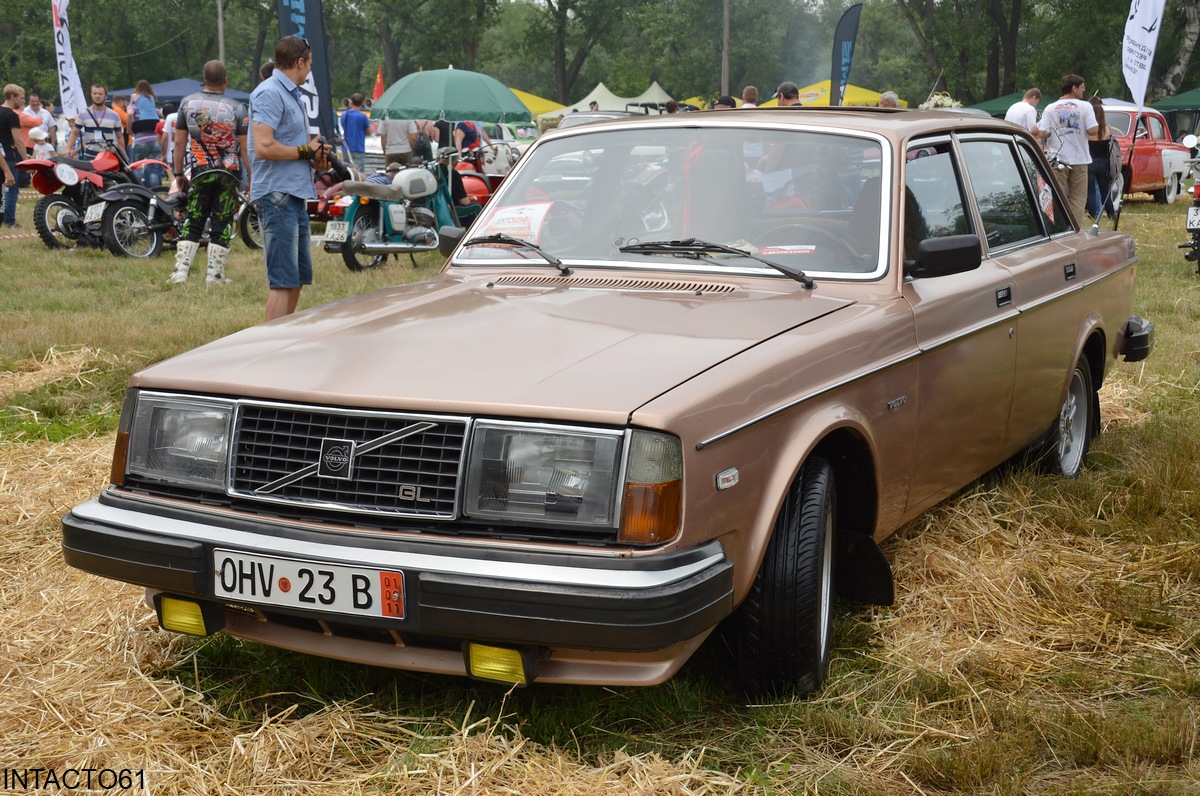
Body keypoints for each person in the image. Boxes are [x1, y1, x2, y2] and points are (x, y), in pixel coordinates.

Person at [249, 35, 330, 321]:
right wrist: (307, 150)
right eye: (309, 64)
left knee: (296, 278)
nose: (309, 71)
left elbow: (295, 146)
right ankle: (270, 349)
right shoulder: (269, 92)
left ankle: (283, 339)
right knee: (283, 280)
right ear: (299, 62)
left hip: (293, 193)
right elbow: (264, 147)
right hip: (276, 195)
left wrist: (315, 152)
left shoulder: (291, 94)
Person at [168, 60, 250, 287]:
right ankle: (215, 276)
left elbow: (179, 143)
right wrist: (251, 177)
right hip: (229, 173)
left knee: (194, 217)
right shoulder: (238, 108)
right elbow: (245, 148)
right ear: (226, 81)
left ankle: (180, 272)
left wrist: (178, 174)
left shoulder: (187, 103)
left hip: (200, 171)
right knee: (221, 221)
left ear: (203, 79)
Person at [1035, 74, 1097, 224]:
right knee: (1078, 199)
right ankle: (1076, 230)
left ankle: (1060, 228)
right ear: (1074, 88)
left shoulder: (1051, 107)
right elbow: (1093, 130)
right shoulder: (1086, 106)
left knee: (1058, 197)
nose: (1083, 91)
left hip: (1057, 159)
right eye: (1082, 87)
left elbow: (1043, 132)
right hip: (1080, 159)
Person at [66, 84, 125, 160]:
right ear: (91, 95)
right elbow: (74, 133)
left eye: (100, 94)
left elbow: (120, 136)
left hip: (108, 155)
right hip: (89, 155)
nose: (97, 96)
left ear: (105, 96)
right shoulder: (83, 113)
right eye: (95, 93)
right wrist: (68, 148)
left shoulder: (114, 115)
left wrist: (123, 152)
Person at [1, 85, 29, 226]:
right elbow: (18, 140)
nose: (23, 101)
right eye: (22, 98)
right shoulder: (12, 115)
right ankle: (9, 220)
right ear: (12, 97)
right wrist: (27, 161)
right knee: (11, 189)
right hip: (8, 156)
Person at [128, 80, 163, 187]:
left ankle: (140, 183)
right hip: (155, 141)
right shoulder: (152, 101)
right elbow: (162, 113)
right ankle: (154, 190)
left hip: (141, 141)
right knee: (153, 167)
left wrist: (129, 129)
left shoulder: (134, 104)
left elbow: (129, 114)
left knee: (135, 165)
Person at [1086, 97, 1116, 222]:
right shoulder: (1107, 129)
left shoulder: (1089, 130)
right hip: (1103, 162)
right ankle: (1111, 213)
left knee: (1091, 190)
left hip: (1090, 162)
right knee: (1105, 190)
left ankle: (1093, 214)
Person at [340, 92, 370, 172]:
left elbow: (343, 126)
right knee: (358, 174)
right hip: (359, 148)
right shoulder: (363, 117)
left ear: (351, 102)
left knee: (345, 172)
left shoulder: (344, 114)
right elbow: (369, 132)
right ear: (362, 102)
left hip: (346, 147)